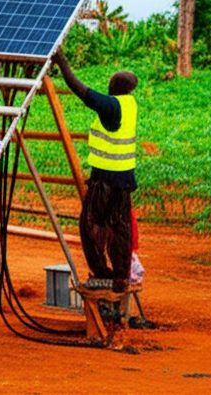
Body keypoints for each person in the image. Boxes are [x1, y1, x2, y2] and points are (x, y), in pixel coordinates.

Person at [51, 50, 141, 291]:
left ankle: (102, 273)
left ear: (113, 88)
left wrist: (63, 64)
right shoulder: (130, 103)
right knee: (120, 226)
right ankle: (121, 276)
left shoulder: (111, 106)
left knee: (91, 225)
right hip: (124, 178)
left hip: (105, 179)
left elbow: (83, 92)